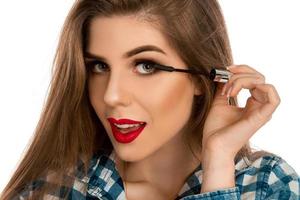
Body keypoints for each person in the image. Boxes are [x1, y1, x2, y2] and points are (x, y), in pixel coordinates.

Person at [1, 0, 299, 199]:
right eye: (99, 66)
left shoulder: (266, 185)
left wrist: (218, 164)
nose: (112, 95)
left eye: (146, 66)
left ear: (202, 77)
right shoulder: (55, 192)